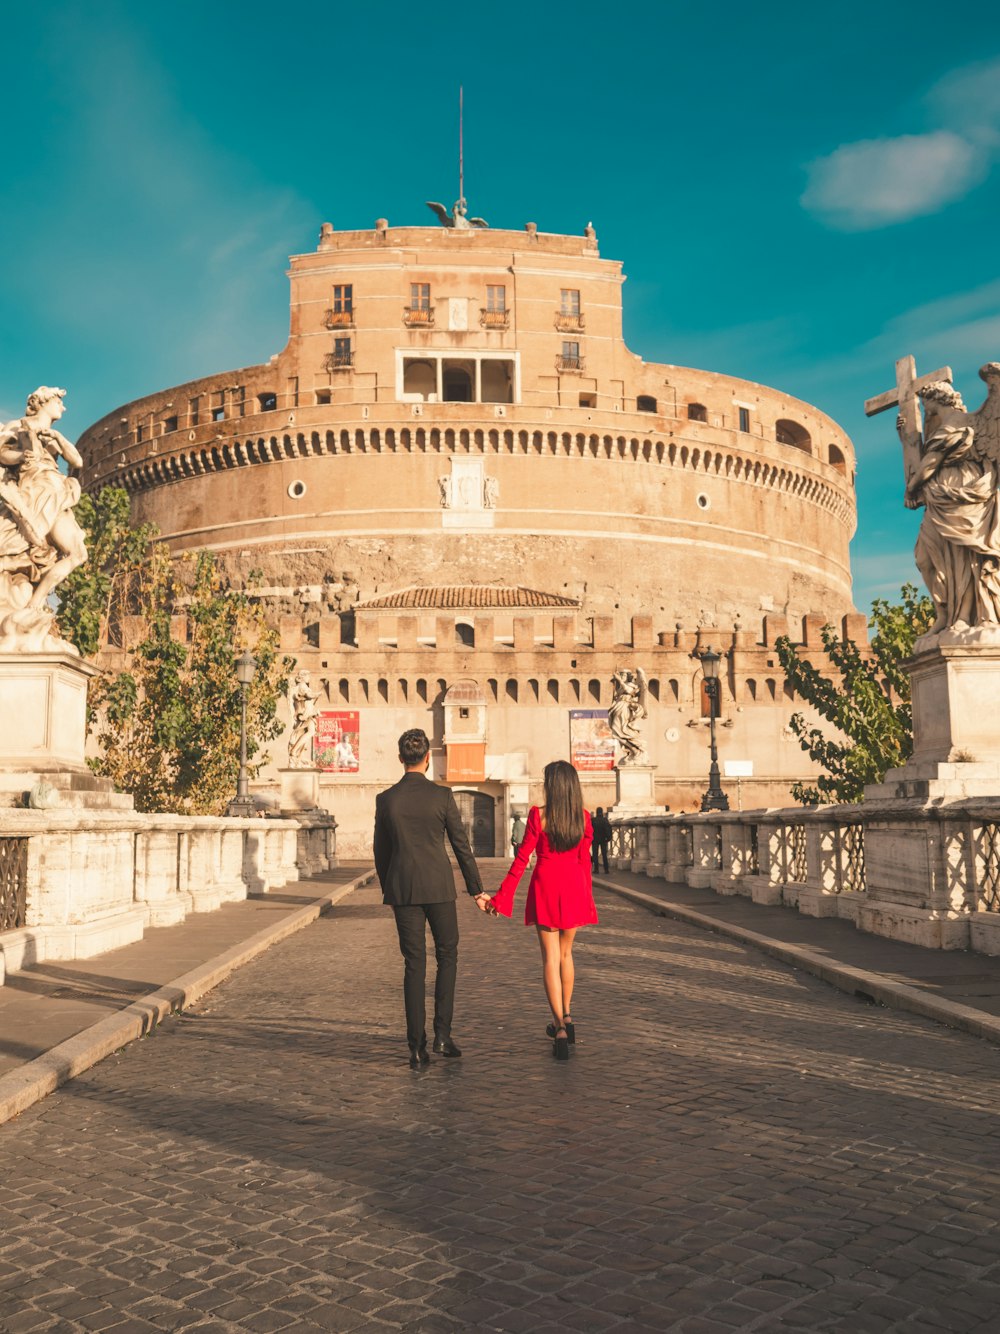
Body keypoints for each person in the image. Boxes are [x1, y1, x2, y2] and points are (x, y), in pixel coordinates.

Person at [374, 728, 490, 1070]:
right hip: (440, 888)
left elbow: (381, 852)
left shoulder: (386, 799)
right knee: (447, 957)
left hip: (404, 889)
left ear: (400, 759)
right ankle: (442, 1034)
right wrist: (477, 891)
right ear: (428, 759)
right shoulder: (443, 796)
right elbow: (461, 846)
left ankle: (416, 1047)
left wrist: (388, 891)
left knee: (414, 964)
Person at [482, 760, 598, 1060]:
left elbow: (522, 859)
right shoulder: (584, 819)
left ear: (551, 785)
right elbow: (585, 863)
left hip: (546, 884)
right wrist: (587, 898)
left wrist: (501, 896)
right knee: (566, 955)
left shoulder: (539, 815)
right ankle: (568, 1016)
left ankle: (558, 1025)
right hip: (573, 885)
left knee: (550, 958)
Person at [591, 807, 612, 874]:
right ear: (602, 812)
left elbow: (590, 830)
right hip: (603, 839)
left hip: (595, 839)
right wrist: (608, 838)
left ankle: (596, 869)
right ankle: (606, 869)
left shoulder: (593, 820)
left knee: (595, 855)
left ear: (596, 812)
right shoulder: (605, 820)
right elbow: (609, 829)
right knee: (604, 855)